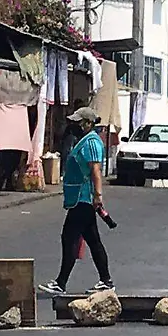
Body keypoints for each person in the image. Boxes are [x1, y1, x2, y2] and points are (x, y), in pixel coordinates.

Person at [38, 107, 113, 295]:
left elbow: (95, 171)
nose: (75, 125)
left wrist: (98, 195)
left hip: (83, 198)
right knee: (93, 240)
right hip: (80, 198)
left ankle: (61, 283)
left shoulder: (91, 143)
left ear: (88, 123)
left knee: (69, 238)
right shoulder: (86, 141)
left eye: (79, 122)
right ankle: (106, 280)